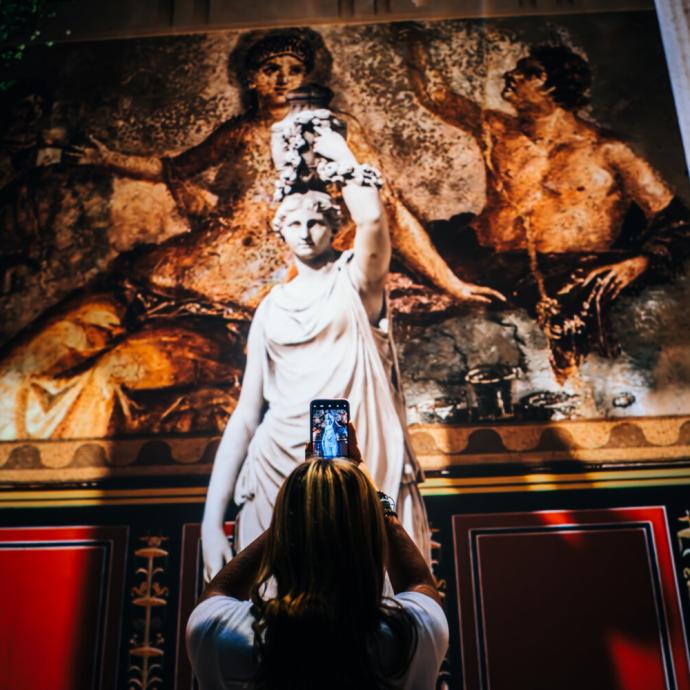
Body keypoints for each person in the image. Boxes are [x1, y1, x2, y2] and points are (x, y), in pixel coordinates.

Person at [200, 123, 430, 579]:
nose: (304, 233)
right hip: (276, 464)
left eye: (316, 221)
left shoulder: (356, 282)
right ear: (280, 230)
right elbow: (247, 413)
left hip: (357, 452)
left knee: (365, 595)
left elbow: (372, 221)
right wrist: (211, 518)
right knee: (276, 607)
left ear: (334, 226)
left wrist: (340, 153)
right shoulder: (271, 308)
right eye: (293, 223)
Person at [402, 31, 690, 377]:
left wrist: (641, 261)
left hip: (570, 268)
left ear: (556, 86)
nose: (512, 75)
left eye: (529, 72)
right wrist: (412, 43)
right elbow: (435, 95)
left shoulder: (610, 150)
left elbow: (678, 221)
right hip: (495, 264)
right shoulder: (496, 129)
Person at [187, 436, 449, 690]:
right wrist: (374, 499)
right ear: (370, 551)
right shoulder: (408, 637)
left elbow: (218, 592)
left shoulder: (231, 638)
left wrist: (295, 511)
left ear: (283, 546)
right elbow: (419, 583)